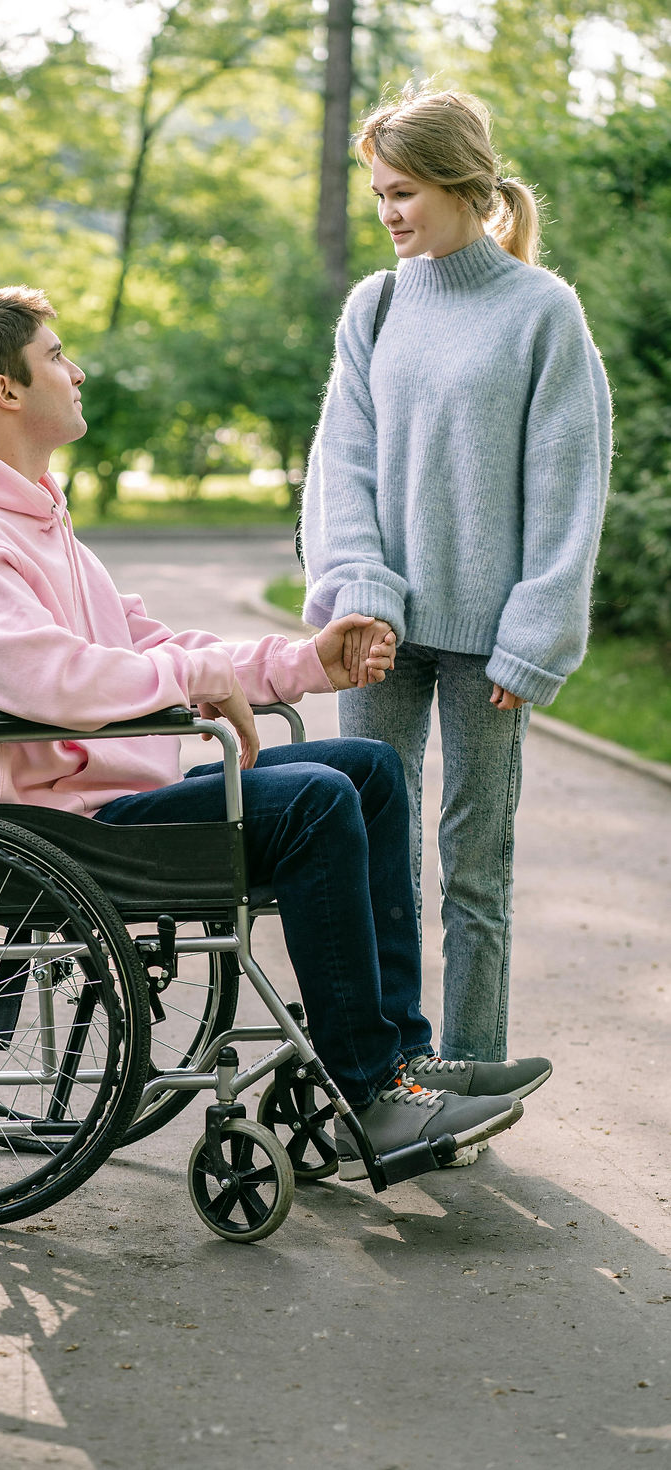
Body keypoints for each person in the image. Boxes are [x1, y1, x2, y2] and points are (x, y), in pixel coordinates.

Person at [0, 284, 552, 1180]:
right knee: (313, 800)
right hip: (56, 828)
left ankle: (399, 1054)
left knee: (367, 768)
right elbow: (54, 682)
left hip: (115, 800)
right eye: (55, 358)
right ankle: (372, 1094)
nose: (75, 372)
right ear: (7, 391)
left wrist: (306, 662)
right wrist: (194, 680)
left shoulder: (37, 515)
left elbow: (156, 648)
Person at [301, 86, 611, 1070]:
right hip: (377, 632)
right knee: (367, 860)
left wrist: (533, 634)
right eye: (377, 195)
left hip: (491, 646)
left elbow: (568, 484)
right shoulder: (375, 305)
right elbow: (339, 466)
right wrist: (360, 596)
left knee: (473, 871)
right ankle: (383, 1064)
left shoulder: (540, 312)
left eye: (402, 192)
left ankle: (470, 1076)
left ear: (459, 185)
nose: (387, 212)